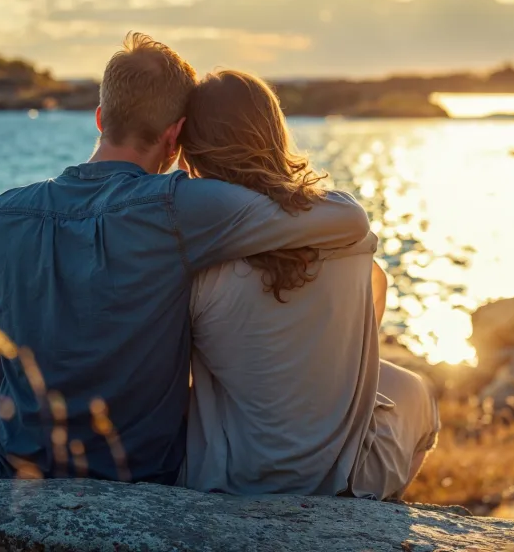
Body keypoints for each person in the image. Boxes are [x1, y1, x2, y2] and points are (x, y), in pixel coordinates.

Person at [0, 33, 373, 483]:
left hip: (19, 466)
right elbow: (347, 220)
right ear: (176, 136)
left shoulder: (4, 213)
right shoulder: (178, 206)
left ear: (100, 118)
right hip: (140, 471)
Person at [176, 69, 438, 500]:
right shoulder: (346, 232)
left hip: (230, 478)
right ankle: (367, 520)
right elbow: (372, 303)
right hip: (342, 481)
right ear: (274, 133)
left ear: (193, 150)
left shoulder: (200, 259)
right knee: (416, 394)